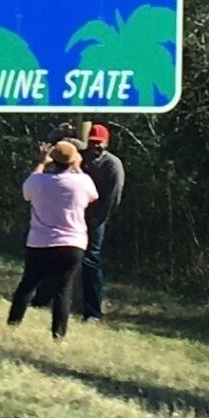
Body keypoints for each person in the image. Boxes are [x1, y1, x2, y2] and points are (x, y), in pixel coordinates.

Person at [7, 139, 96, 341]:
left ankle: (12, 325)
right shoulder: (82, 182)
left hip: (40, 242)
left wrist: (40, 162)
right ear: (73, 162)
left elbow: (26, 192)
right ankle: (59, 336)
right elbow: (93, 196)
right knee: (63, 290)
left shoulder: (38, 182)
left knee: (27, 285)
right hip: (72, 244)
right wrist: (78, 167)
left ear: (52, 161)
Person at [77, 122, 125, 322]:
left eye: (99, 143)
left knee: (91, 260)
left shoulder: (112, 165)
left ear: (106, 143)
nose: (95, 147)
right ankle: (44, 299)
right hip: (73, 215)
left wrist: (95, 221)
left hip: (96, 218)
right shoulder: (80, 155)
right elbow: (62, 145)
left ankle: (93, 312)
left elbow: (113, 198)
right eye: (92, 142)